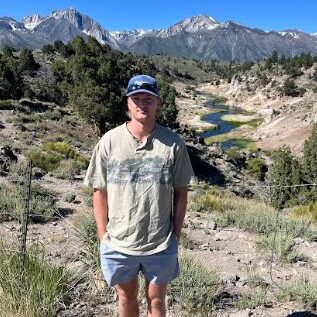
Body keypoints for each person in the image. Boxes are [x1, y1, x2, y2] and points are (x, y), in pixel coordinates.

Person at [84, 74, 194, 317]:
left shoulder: (173, 143)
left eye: (148, 99)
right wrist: (103, 237)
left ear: (158, 104)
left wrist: (175, 235)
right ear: (128, 103)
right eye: (136, 98)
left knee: (156, 300)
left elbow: (181, 192)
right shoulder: (109, 142)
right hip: (119, 242)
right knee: (126, 298)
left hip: (160, 242)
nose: (142, 104)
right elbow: (99, 191)